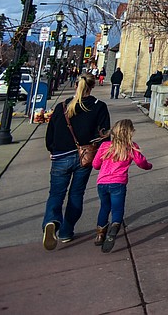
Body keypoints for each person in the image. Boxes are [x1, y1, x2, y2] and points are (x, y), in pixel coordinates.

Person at [42, 74, 110, 249]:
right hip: (84, 157)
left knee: (56, 194)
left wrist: (52, 149)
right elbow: (104, 134)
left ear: (76, 86)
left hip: (60, 156)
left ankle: (52, 221)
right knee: (76, 194)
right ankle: (66, 231)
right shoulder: (99, 107)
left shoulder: (62, 107)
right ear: (93, 86)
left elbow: (51, 132)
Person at [92, 118, 152, 252]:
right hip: (118, 183)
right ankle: (114, 227)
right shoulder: (131, 147)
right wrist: (149, 166)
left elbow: (95, 165)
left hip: (102, 183)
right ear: (130, 133)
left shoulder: (104, 146)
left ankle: (100, 235)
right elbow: (141, 163)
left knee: (104, 207)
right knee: (117, 209)